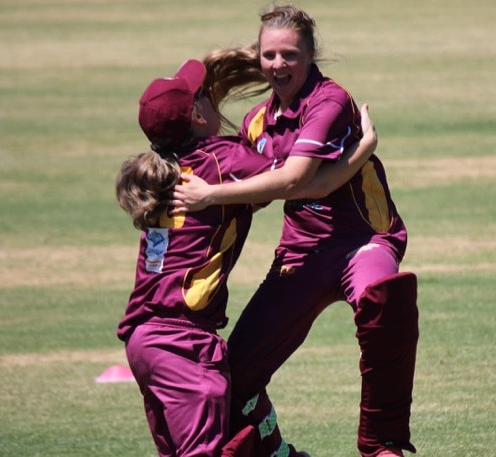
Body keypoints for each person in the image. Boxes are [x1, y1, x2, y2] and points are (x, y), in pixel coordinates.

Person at [171, 5, 419, 457]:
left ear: (310, 55)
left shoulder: (330, 101)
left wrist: (210, 196)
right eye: (270, 55)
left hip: (363, 241)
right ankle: (276, 453)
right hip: (300, 254)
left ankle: (381, 444)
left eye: (290, 55)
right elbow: (258, 191)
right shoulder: (255, 125)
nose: (278, 65)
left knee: (385, 296)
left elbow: (295, 180)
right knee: (235, 377)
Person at [116, 58, 378, 457]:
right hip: (182, 342)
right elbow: (298, 180)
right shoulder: (224, 162)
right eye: (203, 95)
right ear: (199, 116)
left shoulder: (160, 171)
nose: (212, 97)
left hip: (142, 340)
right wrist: (362, 150)